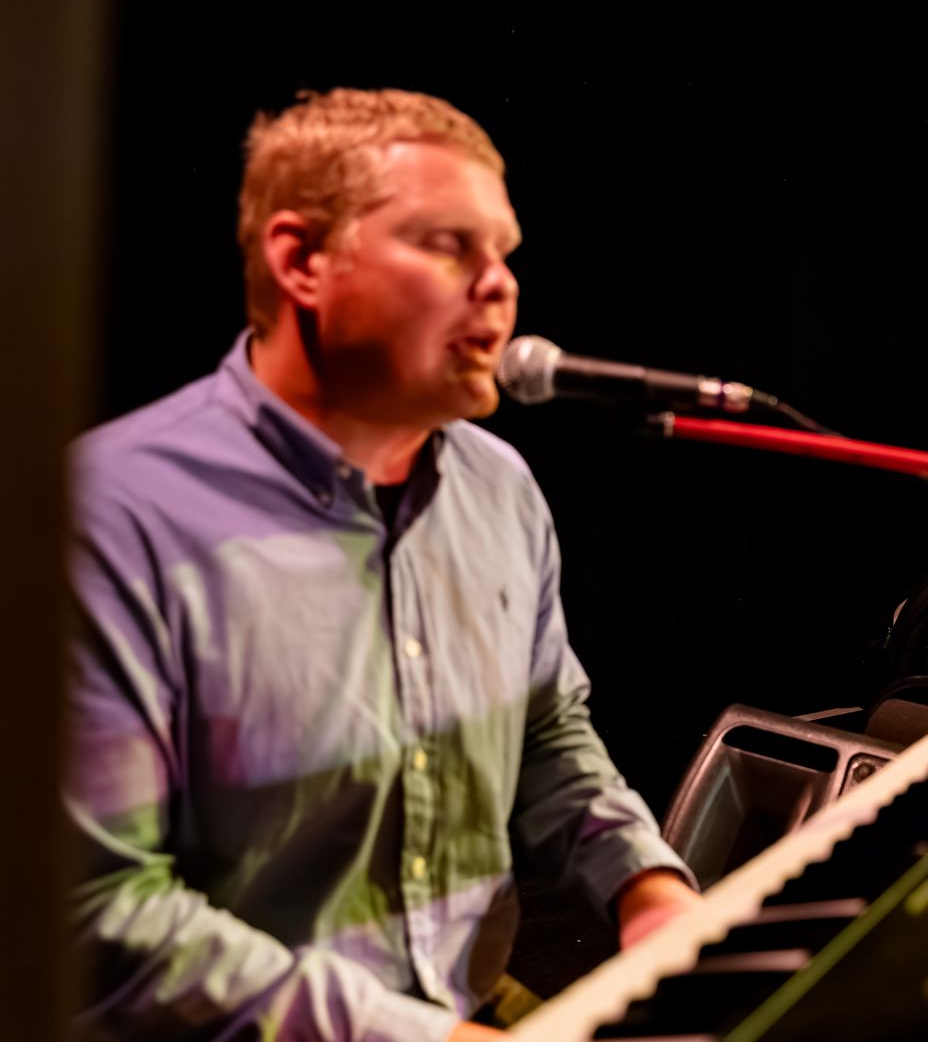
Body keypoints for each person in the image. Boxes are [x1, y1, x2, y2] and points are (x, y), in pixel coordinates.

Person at [64, 88, 700, 1042]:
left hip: (470, 1002)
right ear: (301, 261)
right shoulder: (110, 512)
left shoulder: (499, 486)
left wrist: (647, 886)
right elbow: (102, 912)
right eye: (450, 246)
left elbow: (546, 732)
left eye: (505, 253)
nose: (499, 286)